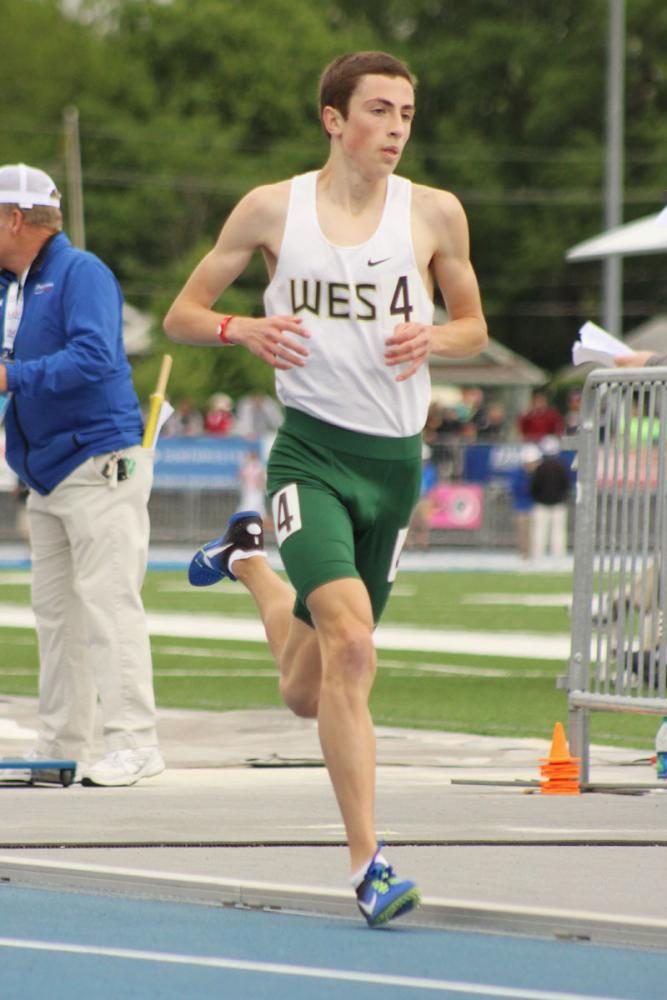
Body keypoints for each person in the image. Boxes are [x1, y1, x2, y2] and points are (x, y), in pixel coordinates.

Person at [163, 51, 487, 926]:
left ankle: (247, 563)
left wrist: (436, 341)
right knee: (350, 647)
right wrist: (243, 327)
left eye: (407, 114)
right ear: (333, 119)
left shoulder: (433, 213)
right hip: (309, 456)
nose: (394, 127)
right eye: (378, 110)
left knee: (306, 690)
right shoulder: (274, 208)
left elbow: (472, 324)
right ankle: (368, 862)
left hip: (394, 466)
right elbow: (182, 315)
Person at [0, 163, 163, 786]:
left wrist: (12, 376)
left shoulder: (80, 272)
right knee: (58, 615)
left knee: (107, 605)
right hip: (48, 471)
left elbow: (97, 355)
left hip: (98, 462)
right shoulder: (15, 285)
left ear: (16, 218)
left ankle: (135, 742)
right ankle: (63, 743)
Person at [529, 436, 571, 560]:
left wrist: (537, 497)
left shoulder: (540, 468)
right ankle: (558, 556)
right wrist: (562, 497)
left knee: (539, 532)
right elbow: (566, 485)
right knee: (558, 532)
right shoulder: (561, 467)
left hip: (541, 503)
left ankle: (537, 555)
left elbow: (534, 486)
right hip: (558, 503)